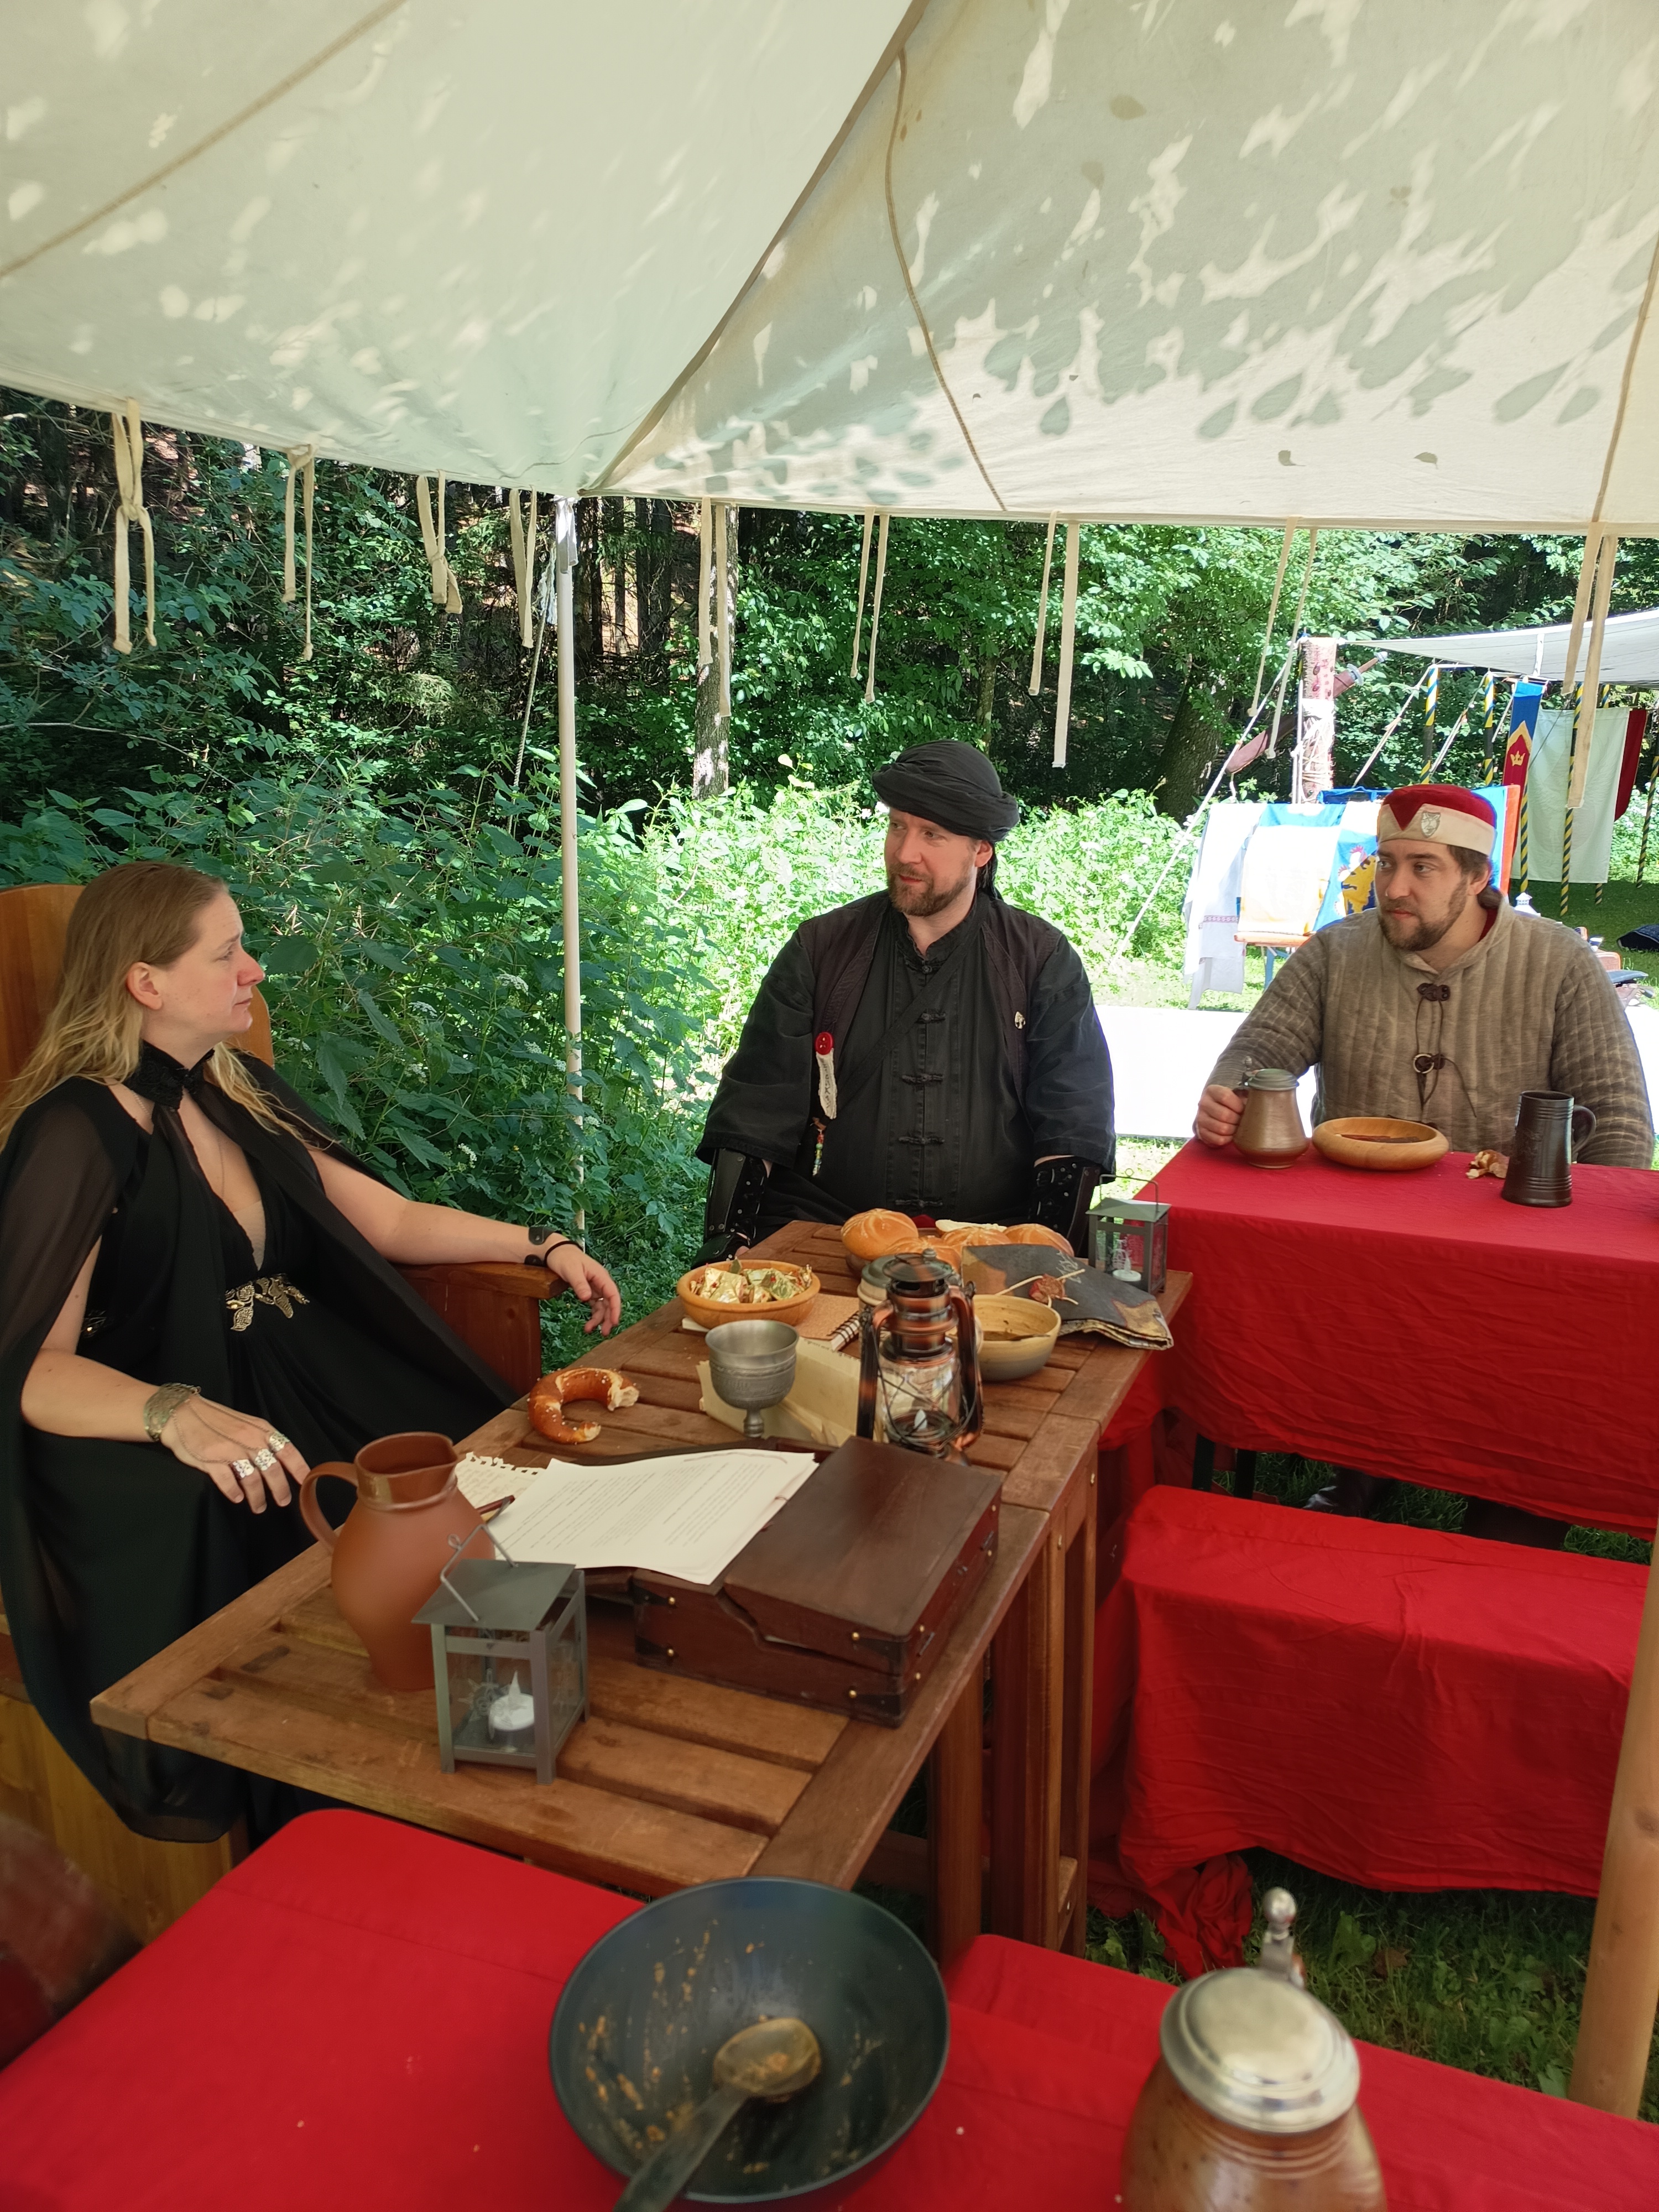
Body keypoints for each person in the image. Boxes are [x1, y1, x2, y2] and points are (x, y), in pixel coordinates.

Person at [0, 861, 620, 1839]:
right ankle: (367, 1814)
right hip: (203, 1424)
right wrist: (169, 1413)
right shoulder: (71, 1131)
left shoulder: (239, 1088)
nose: (253, 971)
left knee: (486, 1497)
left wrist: (539, 1243)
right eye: (227, 953)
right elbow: (32, 1369)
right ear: (145, 982)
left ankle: (529, 1738)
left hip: (320, 1371)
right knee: (333, 1564)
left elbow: (391, 1219)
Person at [1193, 780, 1652, 1540]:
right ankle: (1361, 1463)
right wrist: (1231, 1096)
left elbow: (1620, 1117)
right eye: (1387, 863)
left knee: (1528, 1359)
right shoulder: (1337, 951)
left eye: (1423, 868)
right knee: (1351, 1319)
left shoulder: (1559, 962)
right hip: (1360, 1233)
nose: (1395, 887)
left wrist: (1581, 1225)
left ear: (1477, 876)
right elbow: (1260, 1050)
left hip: (1511, 1236)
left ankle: (1515, 1496)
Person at [697, 739, 1115, 1256]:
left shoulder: (1039, 958)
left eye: (931, 834)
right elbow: (756, 1107)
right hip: (823, 1231)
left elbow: (1073, 1119)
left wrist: (1047, 1253)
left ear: (981, 851)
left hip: (990, 1242)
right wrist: (729, 1237)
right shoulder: (821, 949)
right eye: (898, 826)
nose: (904, 852)